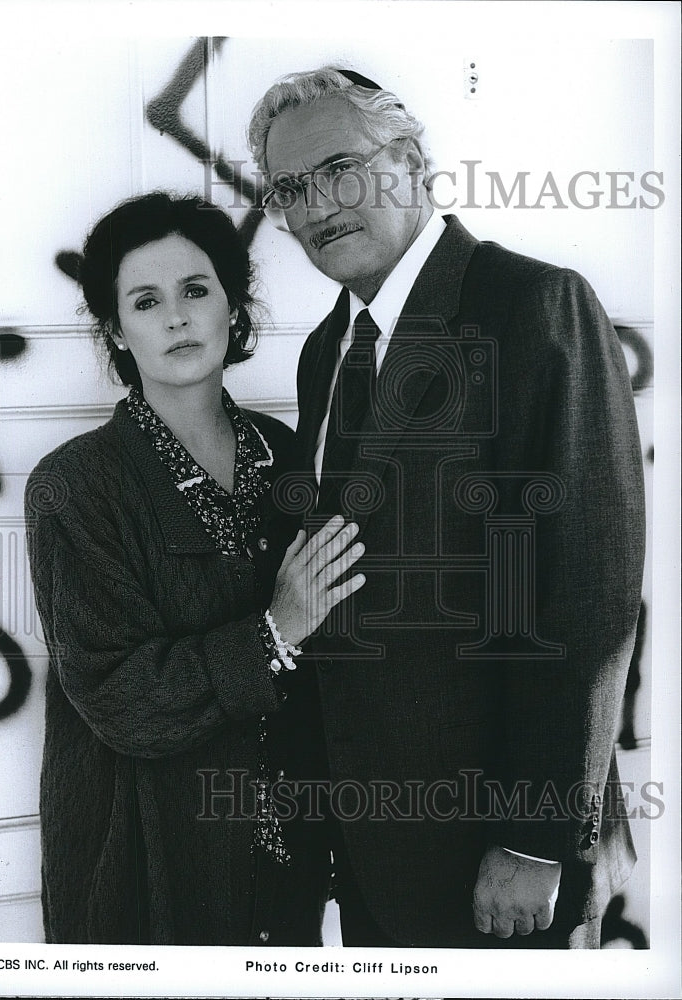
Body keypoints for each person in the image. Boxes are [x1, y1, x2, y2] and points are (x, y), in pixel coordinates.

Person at [247, 67, 645, 948]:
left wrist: (534, 838)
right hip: (372, 846)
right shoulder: (326, 350)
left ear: (413, 161)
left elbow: (586, 594)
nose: (318, 207)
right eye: (291, 189)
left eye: (340, 168)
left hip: (498, 856)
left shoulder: (533, 306)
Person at [24, 192, 364, 945]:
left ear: (232, 307)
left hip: (287, 860)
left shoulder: (287, 455)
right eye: (145, 301)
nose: (176, 317)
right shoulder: (73, 486)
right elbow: (118, 697)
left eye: (195, 290)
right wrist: (276, 631)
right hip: (146, 859)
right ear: (116, 328)